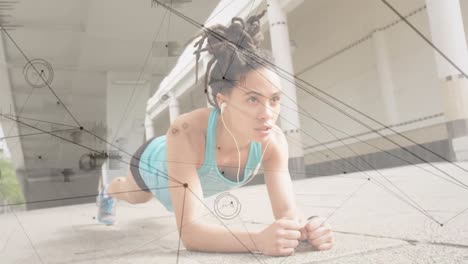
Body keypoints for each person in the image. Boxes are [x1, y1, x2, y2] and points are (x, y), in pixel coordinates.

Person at [96, 11, 334, 256]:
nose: (267, 114)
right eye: (253, 99)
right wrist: (258, 241)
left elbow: (287, 214)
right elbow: (190, 234)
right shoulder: (185, 132)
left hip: (181, 178)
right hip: (151, 164)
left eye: (274, 100)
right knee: (135, 196)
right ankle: (106, 189)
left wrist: (307, 228)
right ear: (223, 101)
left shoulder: (273, 141)